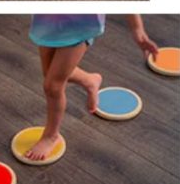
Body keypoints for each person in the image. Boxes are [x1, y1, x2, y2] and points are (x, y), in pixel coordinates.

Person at [25, 14, 159, 161]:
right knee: (50, 73)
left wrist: (137, 28)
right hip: (48, 19)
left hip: (79, 25)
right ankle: (89, 80)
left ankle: (51, 136)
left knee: (53, 87)